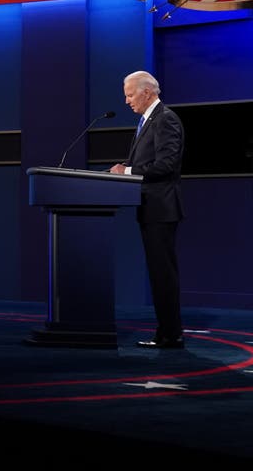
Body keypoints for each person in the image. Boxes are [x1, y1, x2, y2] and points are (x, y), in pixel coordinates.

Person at [110, 71, 185, 349]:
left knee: (163, 273)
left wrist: (127, 171)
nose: (126, 100)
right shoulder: (146, 120)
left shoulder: (166, 119)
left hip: (162, 209)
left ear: (147, 92)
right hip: (149, 207)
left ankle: (171, 334)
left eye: (130, 94)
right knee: (158, 273)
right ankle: (167, 332)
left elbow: (166, 165)